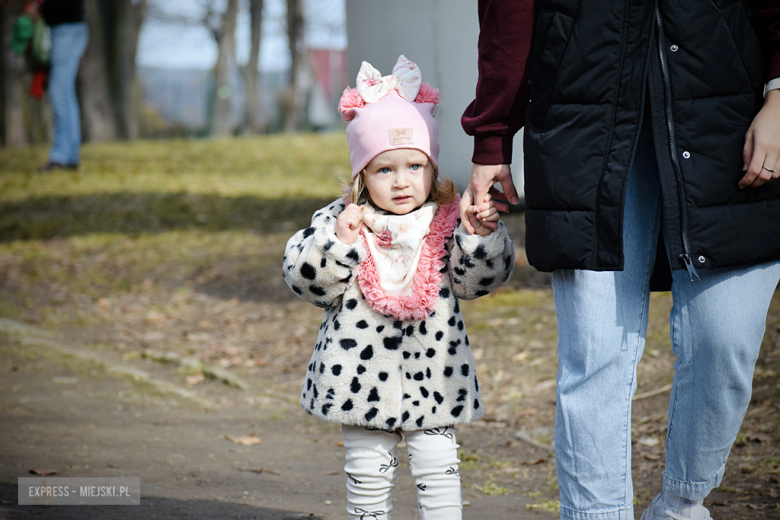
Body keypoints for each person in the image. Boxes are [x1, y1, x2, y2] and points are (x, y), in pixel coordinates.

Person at [461, 1, 780, 520]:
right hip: (584, 123)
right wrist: (491, 135)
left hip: (730, 121)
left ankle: (680, 507)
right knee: (596, 355)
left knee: (725, 342)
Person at [283, 55, 515, 520]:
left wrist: (479, 237)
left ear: (432, 169)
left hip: (436, 374)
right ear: (362, 177)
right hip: (359, 377)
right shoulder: (342, 219)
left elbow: (476, 283)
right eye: (384, 170)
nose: (402, 181)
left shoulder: (448, 220)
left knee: (439, 470)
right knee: (367, 474)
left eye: (415, 165)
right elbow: (306, 280)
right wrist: (339, 244)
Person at [37, 0, 87, 172]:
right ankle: (70, 156)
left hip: (66, 30)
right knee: (65, 94)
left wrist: (41, 8)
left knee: (59, 94)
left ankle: (61, 155)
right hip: (67, 29)